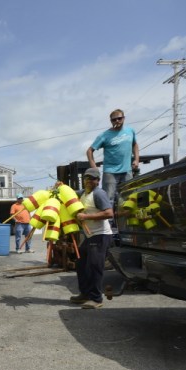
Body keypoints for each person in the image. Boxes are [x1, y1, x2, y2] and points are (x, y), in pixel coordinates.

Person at [70, 168, 113, 309]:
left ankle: (96, 299)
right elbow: (69, 194)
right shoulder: (82, 193)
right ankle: (85, 294)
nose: (89, 181)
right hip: (90, 235)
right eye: (86, 178)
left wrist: (86, 216)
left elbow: (109, 213)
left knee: (95, 266)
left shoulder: (99, 194)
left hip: (101, 234)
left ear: (98, 181)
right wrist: (60, 187)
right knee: (81, 264)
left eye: (92, 178)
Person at [86, 109, 140, 203]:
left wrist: (136, 159)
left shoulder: (130, 131)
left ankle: (125, 217)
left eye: (119, 118)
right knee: (109, 200)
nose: (117, 121)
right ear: (111, 121)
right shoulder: (104, 135)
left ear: (123, 118)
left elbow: (134, 144)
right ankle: (109, 218)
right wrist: (94, 168)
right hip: (110, 172)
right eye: (114, 120)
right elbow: (89, 151)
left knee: (129, 198)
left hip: (127, 171)